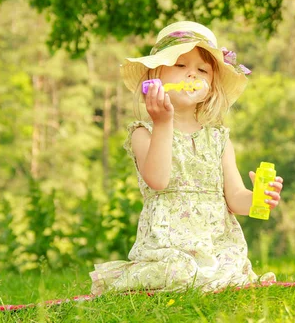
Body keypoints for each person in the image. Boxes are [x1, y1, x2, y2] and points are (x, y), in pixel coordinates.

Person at [89, 21, 283, 295]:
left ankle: (212, 273)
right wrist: (164, 122)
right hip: (168, 246)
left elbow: (235, 197)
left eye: (202, 70)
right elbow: (158, 180)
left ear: (211, 86)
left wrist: (257, 198)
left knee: (227, 269)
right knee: (178, 272)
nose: (191, 74)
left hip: (216, 244)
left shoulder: (218, 140)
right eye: (180, 65)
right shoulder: (144, 133)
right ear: (156, 75)